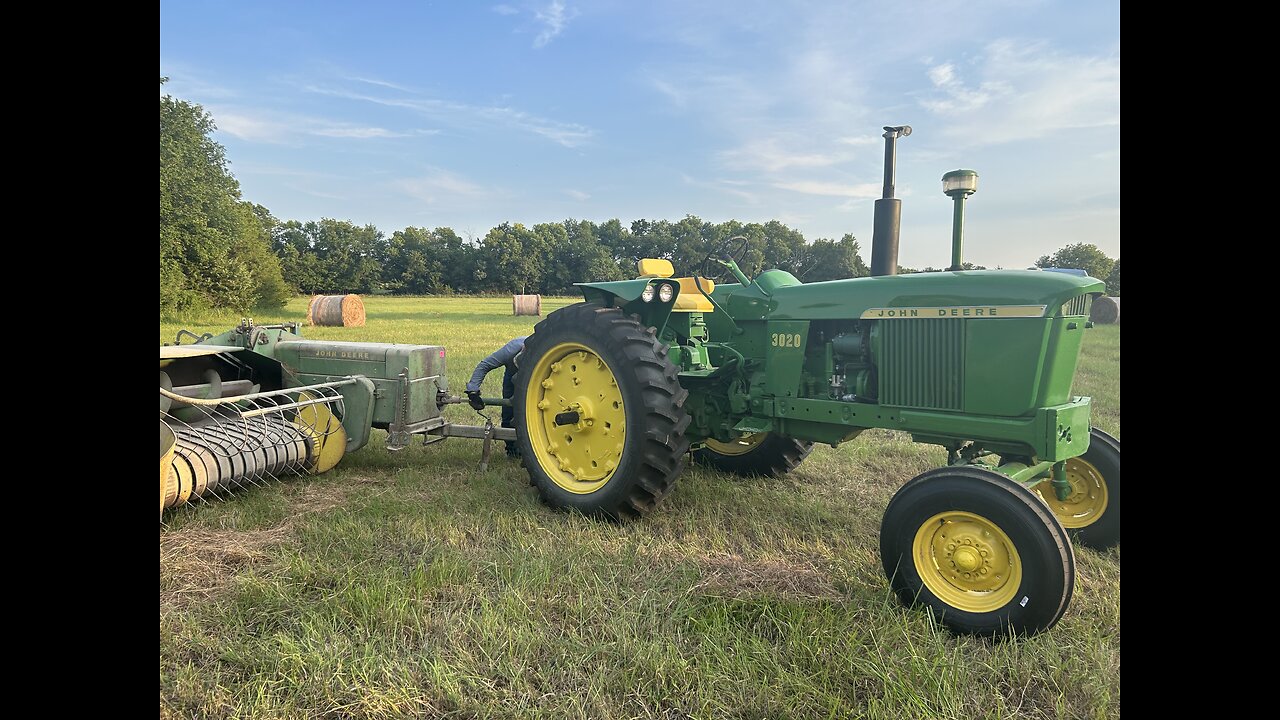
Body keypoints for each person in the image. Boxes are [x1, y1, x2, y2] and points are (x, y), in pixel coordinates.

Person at [465, 337, 526, 457]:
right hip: (512, 373)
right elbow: (485, 365)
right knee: (508, 411)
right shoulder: (510, 350)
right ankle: (512, 450)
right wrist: (473, 390)